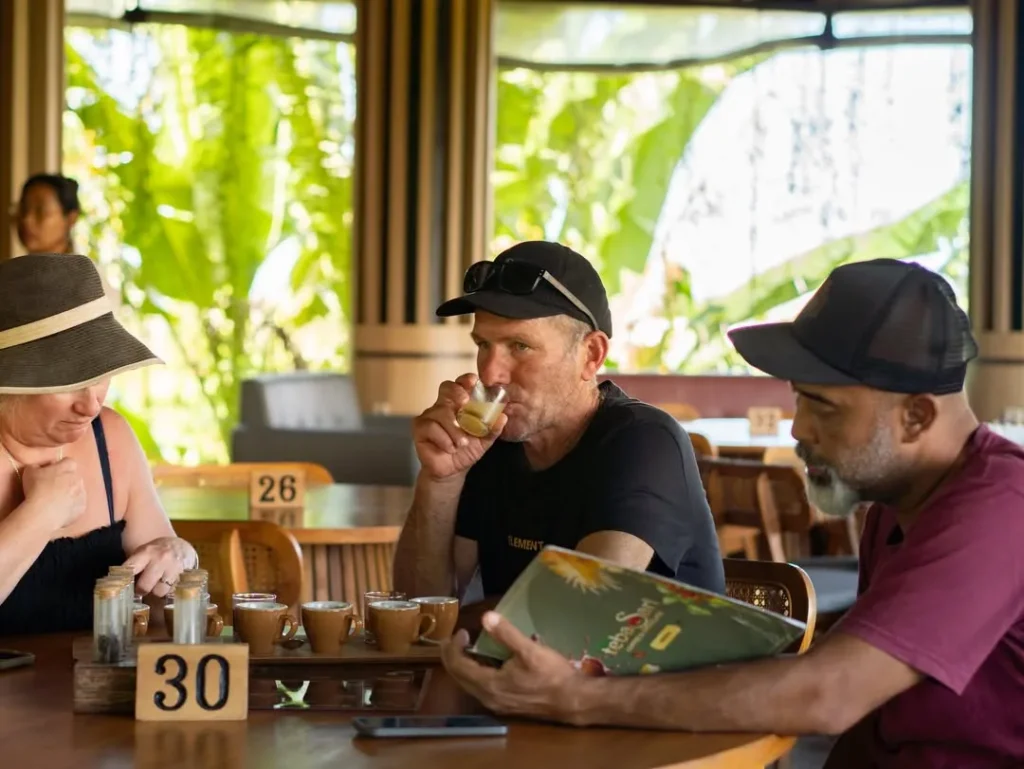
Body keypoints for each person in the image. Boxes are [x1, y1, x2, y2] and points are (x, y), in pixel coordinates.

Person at [441, 258, 1024, 769]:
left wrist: (576, 697)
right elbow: (869, 719)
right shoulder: (893, 511)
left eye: (821, 405)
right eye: (799, 399)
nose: (797, 427)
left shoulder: (1002, 507)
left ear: (917, 417)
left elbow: (830, 694)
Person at [393, 240, 724, 615]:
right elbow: (419, 612)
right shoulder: (491, 448)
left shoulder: (643, 441)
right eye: (484, 344)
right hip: (531, 671)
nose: (490, 372)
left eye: (519, 346)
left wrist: (464, 630)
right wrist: (439, 482)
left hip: (660, 673)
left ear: (591, 355)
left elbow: (578, 611)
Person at [0, 253, 198, 634]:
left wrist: (179, 554)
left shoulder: (112, 437)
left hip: (104, 689)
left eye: (101, 374)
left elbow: (161, 601)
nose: (90, 403)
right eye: (69, 382)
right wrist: (41, 512)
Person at [12, 173, 81, 255]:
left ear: (71, 219)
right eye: (23, 209)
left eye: (41, 212)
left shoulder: (81, 268)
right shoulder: (11, 267)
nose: (26, 220)